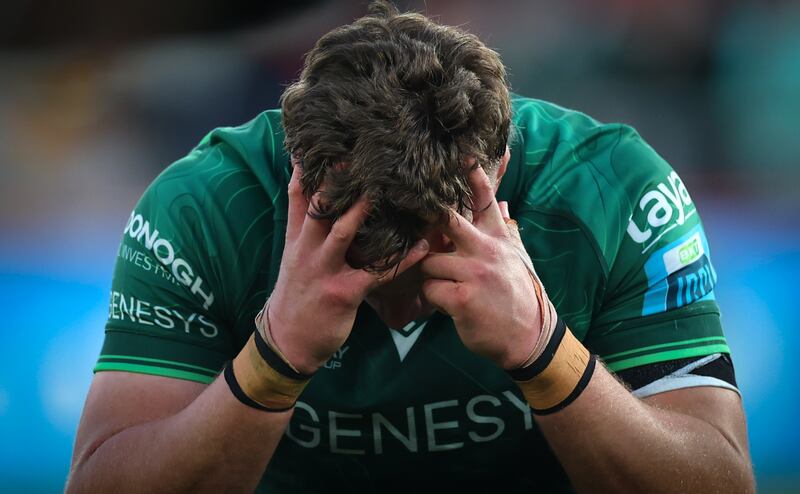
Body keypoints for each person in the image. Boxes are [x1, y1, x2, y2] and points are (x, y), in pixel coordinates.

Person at [66, 2, 754, 492]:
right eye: (362, 262)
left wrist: (547, 352)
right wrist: (273, 359)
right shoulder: (203, 207)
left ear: (499, 167)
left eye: (434, 258)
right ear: (299, 172)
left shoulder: (618, 190)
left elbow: (722, 481)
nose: (399, 314)